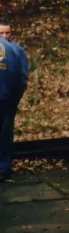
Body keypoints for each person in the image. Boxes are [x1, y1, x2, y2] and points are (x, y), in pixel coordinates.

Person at [0, 23, 29, 181]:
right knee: (5, 133)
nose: (5, 36)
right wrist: (15, 98)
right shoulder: (16, 51)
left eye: (7, 33)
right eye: (2, 33)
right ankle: (3, 168)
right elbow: (23, 78)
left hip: (7, 99)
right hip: (7, 100)